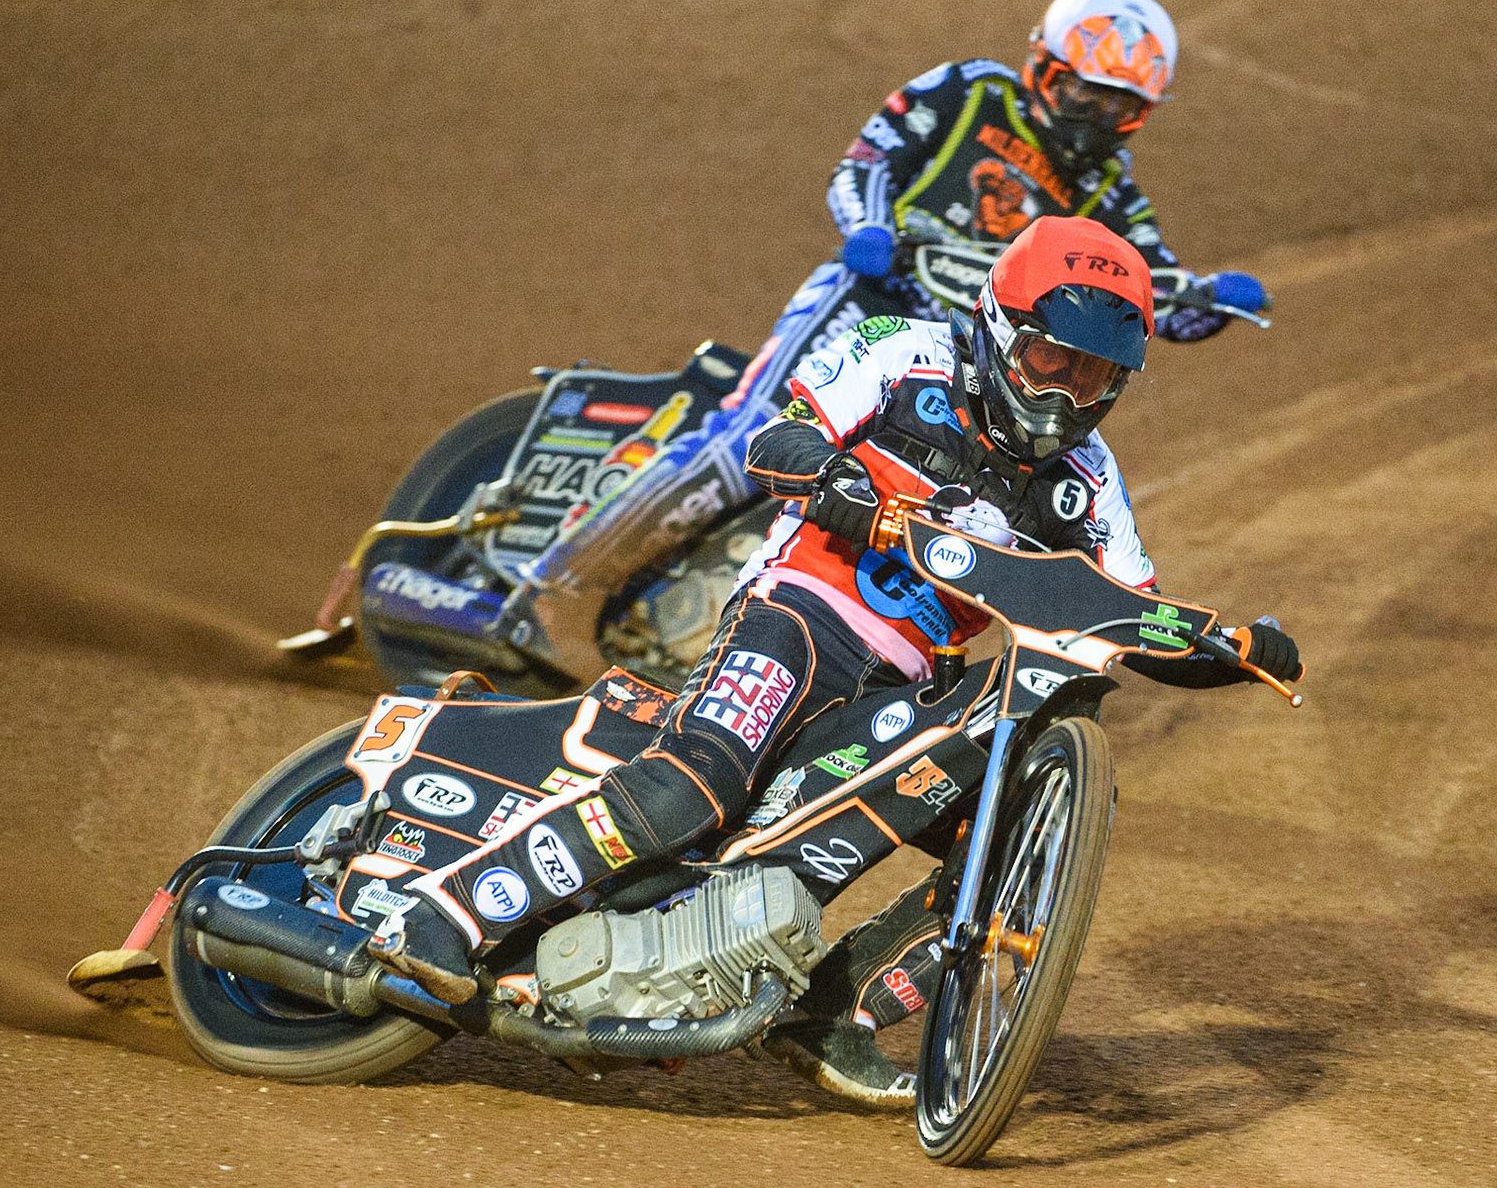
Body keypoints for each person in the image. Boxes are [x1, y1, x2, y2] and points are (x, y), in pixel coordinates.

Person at [433, 217, 1303, 1104]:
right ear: (999, 327)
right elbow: (779, 439)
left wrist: (1233, 652)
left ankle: (829, 1012)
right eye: (1052, 361)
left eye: (1094, 377)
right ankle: (449, 912)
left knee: (1016, 830)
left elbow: (1131, 614)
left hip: (905, 686)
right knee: (694, 786)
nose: (1066, 396)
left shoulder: (1091, 477)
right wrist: (836, 481)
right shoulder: (902, 352)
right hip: (798, 617)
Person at [498, 0, 1268, 633]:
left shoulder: (1112, 195)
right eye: (1084, 94)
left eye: (1121, 108)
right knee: (749, 440)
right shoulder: (970, 93)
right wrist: (869, 227)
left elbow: (1149, 296)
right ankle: (556, 591)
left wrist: (1211, 303)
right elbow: (866, 161)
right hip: (869, 302)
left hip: (968, 362)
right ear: (1044, 66)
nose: (1095, 120)